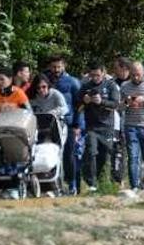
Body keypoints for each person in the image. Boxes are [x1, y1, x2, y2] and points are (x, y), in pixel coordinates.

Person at [78, 62, 121, 191]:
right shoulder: (86, 86)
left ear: (103, 73)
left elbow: (115, 104)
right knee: (91, 152)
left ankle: (101, 182)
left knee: (104, 156)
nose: (95, 77)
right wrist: (84, 100)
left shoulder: (111, 85)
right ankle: (91, 183)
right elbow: (77, 103)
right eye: (92, 75)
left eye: (97, 75)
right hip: (91, 126)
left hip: (107, 126)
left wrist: (101, 101)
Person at [120, 62, 144, 190]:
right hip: (130, 126)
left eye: (138, 74)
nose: (135, 77)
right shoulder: (125, 86)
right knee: (133, 156)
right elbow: (119, 107)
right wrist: (126, 103)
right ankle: (134, 186)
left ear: (143, 73)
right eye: (133, 75)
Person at [46, 56, 82, 191]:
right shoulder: (46, 81)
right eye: (54, 67)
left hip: (69, 123)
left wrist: (77, 124)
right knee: (52, 154)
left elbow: (79, 105)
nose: (56, 70)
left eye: (59, 67)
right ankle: (52, 185)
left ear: (64, 66)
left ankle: (72, 184)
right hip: (49, 124)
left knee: (69, 154)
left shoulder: (73, 82)